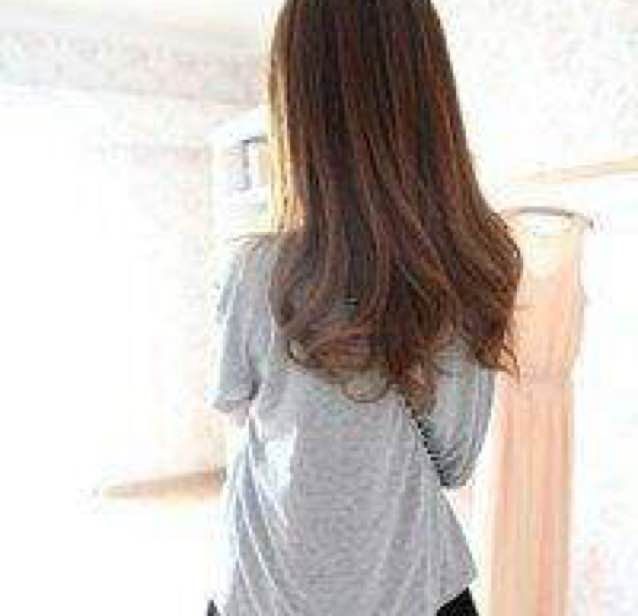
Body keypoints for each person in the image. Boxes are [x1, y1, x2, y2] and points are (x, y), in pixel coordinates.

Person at [205, 0, 523, 614]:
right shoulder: (471, 268)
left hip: (268, 590)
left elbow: (238, 410)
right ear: (431, 97)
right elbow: (453, 462)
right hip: (416, 591)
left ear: (298, 103)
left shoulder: (255, 272)